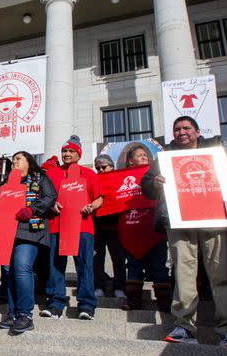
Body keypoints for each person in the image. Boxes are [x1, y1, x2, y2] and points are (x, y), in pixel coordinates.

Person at [141, 116, 227, 347]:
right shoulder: (164, 157)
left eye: (186, 128)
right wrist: (154, 183)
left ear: (197, 132)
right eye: (177, 129)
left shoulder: (216, 153)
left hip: (214, 218)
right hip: (180, 221)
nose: (182, 132)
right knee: (184, 273)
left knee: (220, 274)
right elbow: (146, 184)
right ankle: (184, 326)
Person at [0, 151, 57, 333]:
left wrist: (32, 209)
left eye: (18, 159)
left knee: (21, 266)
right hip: (5, 231)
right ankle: (12, 314)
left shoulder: (40, 178)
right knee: (8, 272)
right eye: (13, 160)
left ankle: (25, 314)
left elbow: (50, 197)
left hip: (29, 231)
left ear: (29, 161)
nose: (14, 162)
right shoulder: (5, 183)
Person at [42, 135, 102, 320]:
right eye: (64, 151)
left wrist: (91, 206)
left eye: (71, 151)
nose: (67, 154)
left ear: (79, 154)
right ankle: (55, 302)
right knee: (55, 265)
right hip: (56, 225)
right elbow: (44, 197)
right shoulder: (52, 174)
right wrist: (51, 205)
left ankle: (86, 304)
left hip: (83, 225)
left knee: (85, 265)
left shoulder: (89, 174)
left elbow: (99, 198)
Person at [118, 145, 171, 311]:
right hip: (132, 229)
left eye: (146, 155)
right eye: (140, 156)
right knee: (133, 266)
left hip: (155, 228)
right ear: (130, 161)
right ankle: (133, 300)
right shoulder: (120, 178)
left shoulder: (158, 175)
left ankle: (164, 302)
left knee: (159, 266)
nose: (144, 158)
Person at [92, 154, 126, 299]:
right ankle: (98, 286)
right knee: (97, 258)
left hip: (114, 226)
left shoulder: (118, 179)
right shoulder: (94, 180)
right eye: (98, 167)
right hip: (97, 225)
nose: (100, 170)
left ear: (112, 167)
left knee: (118, 258)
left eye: (104, 167)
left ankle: (119, 287)